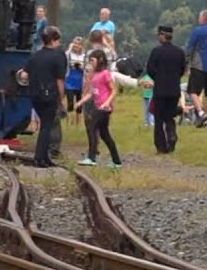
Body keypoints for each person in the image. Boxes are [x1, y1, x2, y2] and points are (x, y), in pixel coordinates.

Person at [75, 49, 145, 168]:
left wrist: (107, 102)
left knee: (92, 127)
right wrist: (80, 102)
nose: (91, 63)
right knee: (104, 134)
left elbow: (114, 90)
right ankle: (116, 161)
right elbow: (91, 92)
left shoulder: (105, 74)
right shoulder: (94, 75)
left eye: (92, 60)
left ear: (100, 60)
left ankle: (91, 158)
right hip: (98, 106)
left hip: (104, 109)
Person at [22, 26, 67, 167]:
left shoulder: (35, 55)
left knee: (44, 125)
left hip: (35, 95)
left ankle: (45, 157)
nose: (58, 43)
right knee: (46, 127)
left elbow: (24, 74)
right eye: (57, 40)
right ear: (53, 40)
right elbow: (60, 80)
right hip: (49, 95)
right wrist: (62, 98)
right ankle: (39, 157)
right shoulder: (57, 57)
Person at [146, 25, 187, 153]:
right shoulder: (179, 52)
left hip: (160, 89)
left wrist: (158, 78)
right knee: (169, 115)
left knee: (158, 118)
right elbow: (182, 70)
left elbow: (150, 69)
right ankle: (172, 134)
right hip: (174, 90)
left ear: (162, 36)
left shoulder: (156, 51)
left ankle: (161, 146)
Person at [184, 10, 207, 128]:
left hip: (199, 65)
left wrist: (186, 63)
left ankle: (201, 113)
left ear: (203, 18)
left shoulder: (197, 31)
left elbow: (190, 47)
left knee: (192, 91)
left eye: (199, 17)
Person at [65, 37, 86, 128]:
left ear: (81, 46)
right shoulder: (69, 54)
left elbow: (87, 68)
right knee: (70, 102)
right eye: (75, 43)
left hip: (80, 81)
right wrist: (69, 49)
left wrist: (81, 67)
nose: (76, 46)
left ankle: (78, 124)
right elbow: (64, 57)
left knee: (79, 102)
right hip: (69, 81)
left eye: (78, 44)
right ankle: (69, 123)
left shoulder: (84, 56)